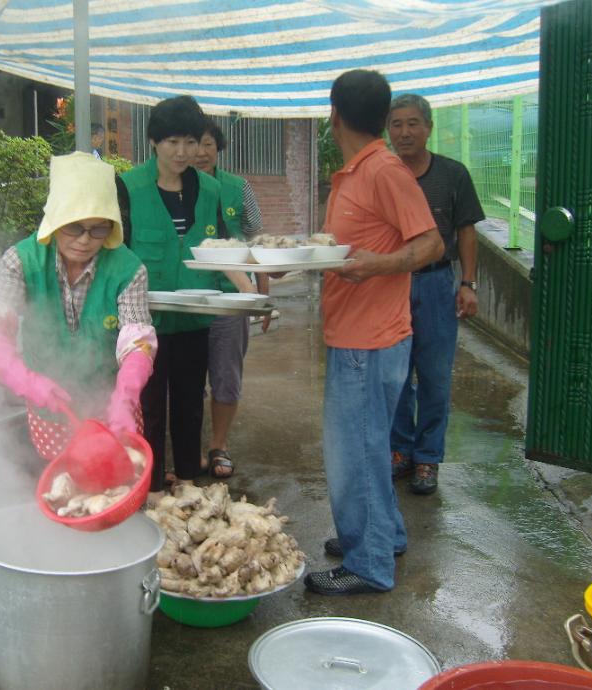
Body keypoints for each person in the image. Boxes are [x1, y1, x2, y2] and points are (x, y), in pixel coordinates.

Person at [304, 70, 443, 596]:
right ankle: (383, 535)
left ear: (333, 113)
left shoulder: (384, 170)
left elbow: (430, 244)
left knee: (354, 452)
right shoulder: (357, 172)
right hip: (359, 334)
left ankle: (369, 564)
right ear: (382, 117)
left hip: (369, 340)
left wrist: (374, 266)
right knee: (368, 445)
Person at [0, 152, 156, 462]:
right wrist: (22, 378)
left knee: (114, 482)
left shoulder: (129, 269)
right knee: (65, 484)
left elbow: (137, 343)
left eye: (99, 229)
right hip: (49, 410)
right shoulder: (21, 260)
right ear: (55, 219)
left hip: (111, 411)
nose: (85, 240)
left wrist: (125, 398)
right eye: (74, 226)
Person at [115, 95, 224, 501]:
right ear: (154, 142)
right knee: (149, 406)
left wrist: (246, 293)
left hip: (194, 319)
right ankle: (152, 488)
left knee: (191, 405)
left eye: (190, 142)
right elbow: (117, 253)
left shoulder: (209, 189)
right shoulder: (127, 186)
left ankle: (188, 490)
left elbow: (219, 250)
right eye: (172, 142)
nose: (183, 152)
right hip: (145, 324)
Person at [386, 94, 486, 496]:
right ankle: (400, 450)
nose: (405, 132)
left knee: (434, 376)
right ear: (387, 130)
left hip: (436, 283)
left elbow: (466, 231)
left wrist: (468, 283)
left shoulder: (452, 174)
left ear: (428, 127)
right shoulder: (383, 173)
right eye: (396, 124)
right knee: (393, 373)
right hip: (390, 284)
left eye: (413, 123)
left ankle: (427, 457)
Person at [194, 119, 270, 478]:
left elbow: (259, 244)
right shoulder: (174, 189)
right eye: (194, 144)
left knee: (226, 374)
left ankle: (218, 445)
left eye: (207, 144)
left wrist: (262, 296)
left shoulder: (238, 188)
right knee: (185, 378)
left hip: (231, 298)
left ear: (218, 148)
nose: (199, 152)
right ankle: (188, 446)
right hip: (187, 298)